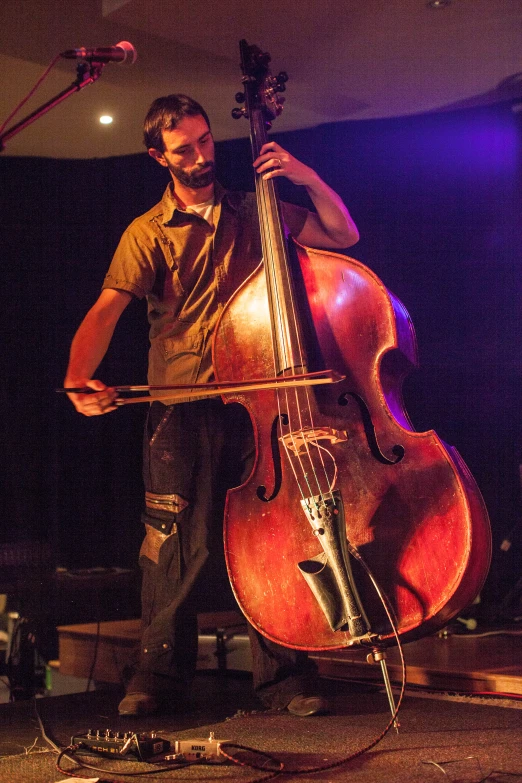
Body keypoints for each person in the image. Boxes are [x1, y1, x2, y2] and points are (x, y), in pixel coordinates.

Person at [64, 94, 359, 717]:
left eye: (204, 141)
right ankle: (158, 677)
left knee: (273, 536)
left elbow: (342, 234)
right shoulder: (147, 232)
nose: (199, 156)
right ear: (157, 156)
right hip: (183, 399)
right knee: (176, 544)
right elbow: (105, 310)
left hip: (260, 397)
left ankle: (284, 677)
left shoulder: (258, 207)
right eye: (183, 149)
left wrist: (305, 176)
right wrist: (78, 380)